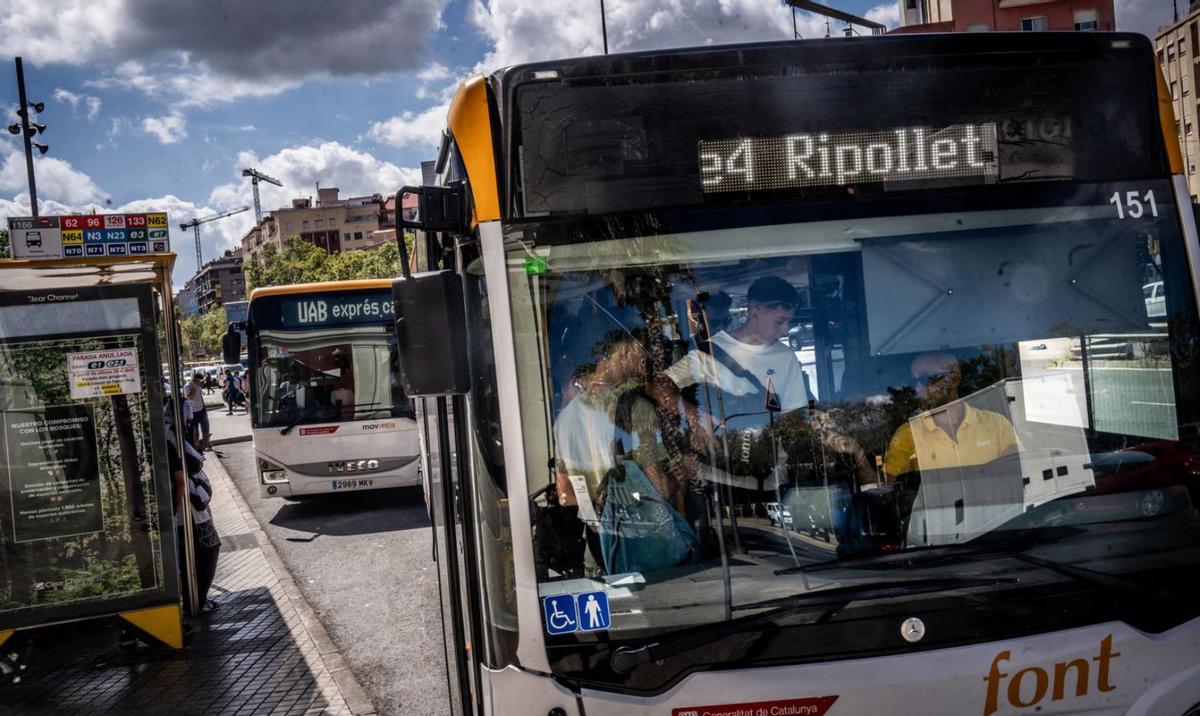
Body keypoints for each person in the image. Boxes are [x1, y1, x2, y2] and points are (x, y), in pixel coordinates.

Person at [883, 352, 1019, 482]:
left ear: (954, 379)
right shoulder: (907, 434)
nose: (918, 388)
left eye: (926, 379)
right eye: (914, 381)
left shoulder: (996, 424)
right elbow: (889, 494)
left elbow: (1021, 476)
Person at [184, 372, 210, 451]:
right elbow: (189, 397)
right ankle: (197, 445)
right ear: (194, 380)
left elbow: (199, 397)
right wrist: (194, 388)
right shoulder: (187, 386)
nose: (200, 382)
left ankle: (206, 443)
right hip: (193, 411)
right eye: (198, 381)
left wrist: (204, 407)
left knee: (205, 427)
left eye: (200, 381)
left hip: (202, 410)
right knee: (195, 430)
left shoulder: (198, 386)